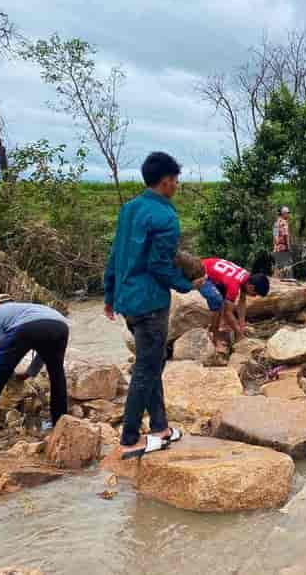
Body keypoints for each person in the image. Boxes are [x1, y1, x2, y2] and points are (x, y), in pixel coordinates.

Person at [104, 151, 203, 459]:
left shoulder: (129, 209)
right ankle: (130, 438)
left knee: (153, 361)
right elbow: (160, 265)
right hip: (150, 303)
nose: (176, 186)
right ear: (166, 182)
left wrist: (109, 294)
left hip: (128, 300)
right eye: (175, 181)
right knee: (147, 369)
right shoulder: (165, 218)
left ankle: (160, 427)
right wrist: (189, 286)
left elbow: (117, 254)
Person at [0, 295, 69, 425]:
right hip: (60, 325)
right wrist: (29, 372)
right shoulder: (26, 308)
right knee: (57, 373)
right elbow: (44, 352)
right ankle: (60, 419)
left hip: (29, 326)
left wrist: (8, 372)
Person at [197, 257, 271, 340]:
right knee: (218, 302)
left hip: (211, 266)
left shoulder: (246, 277)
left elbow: (242, 303)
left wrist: (241, 326)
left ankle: (223, 325)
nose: (254, 296)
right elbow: (227, 312)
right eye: (255, 294)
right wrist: (238, 333)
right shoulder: (234, 286)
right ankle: (216, 332)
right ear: (251, 287)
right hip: (200, 271)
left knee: (226, 300)